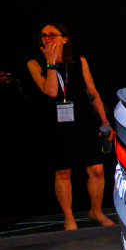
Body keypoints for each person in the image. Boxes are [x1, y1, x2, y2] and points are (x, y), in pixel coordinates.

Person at [26, 23, 115, 230]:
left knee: (97, 169)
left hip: (83, 119)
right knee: (63, 172)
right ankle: (69, 218)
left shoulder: (78, 60)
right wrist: (51, 63)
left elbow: (93, 92)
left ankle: (96, 212)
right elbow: (51, 91)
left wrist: (104, 122)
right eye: (44, 35)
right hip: (56, 123)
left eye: (52, 35)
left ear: (64, 38)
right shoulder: (35, 63)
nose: (47, 38)